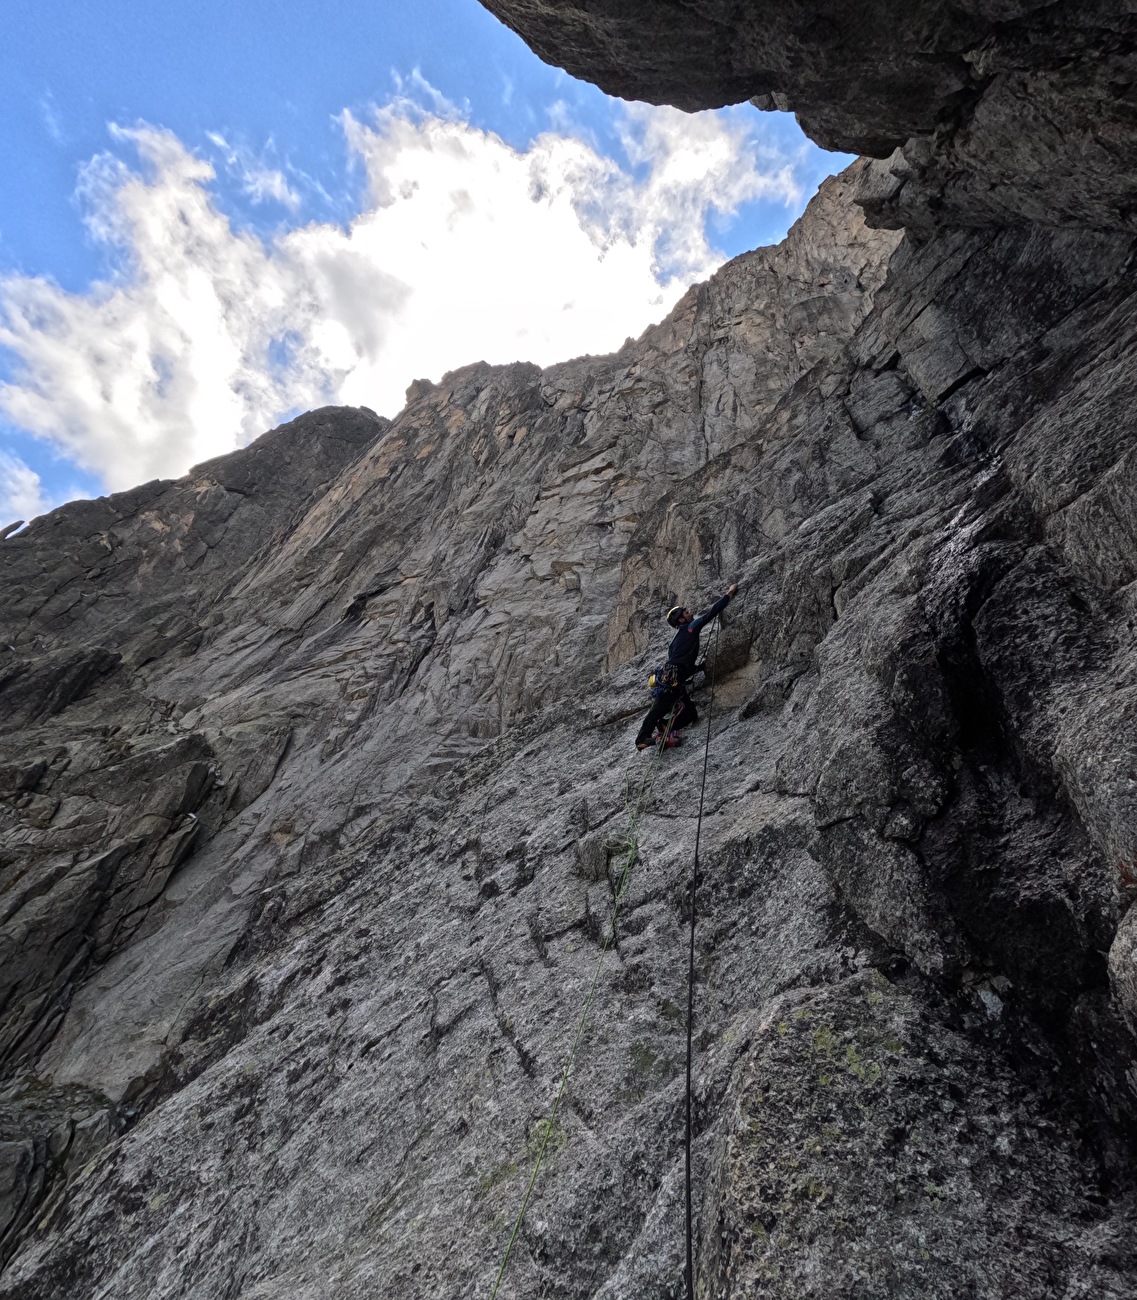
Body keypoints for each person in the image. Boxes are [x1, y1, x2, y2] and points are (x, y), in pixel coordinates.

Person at [635, 583, 738, 750]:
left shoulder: (675, 641)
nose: (690, 613)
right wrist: (729, 595)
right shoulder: (690, 628)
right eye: (687, 612)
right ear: (681, 619)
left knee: (690, 713)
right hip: (674, 676)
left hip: (675, 676)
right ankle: (642, 739)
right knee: (659, 706)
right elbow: (709, 615)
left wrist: (696, 668)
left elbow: (679, 658)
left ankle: (664, 726)